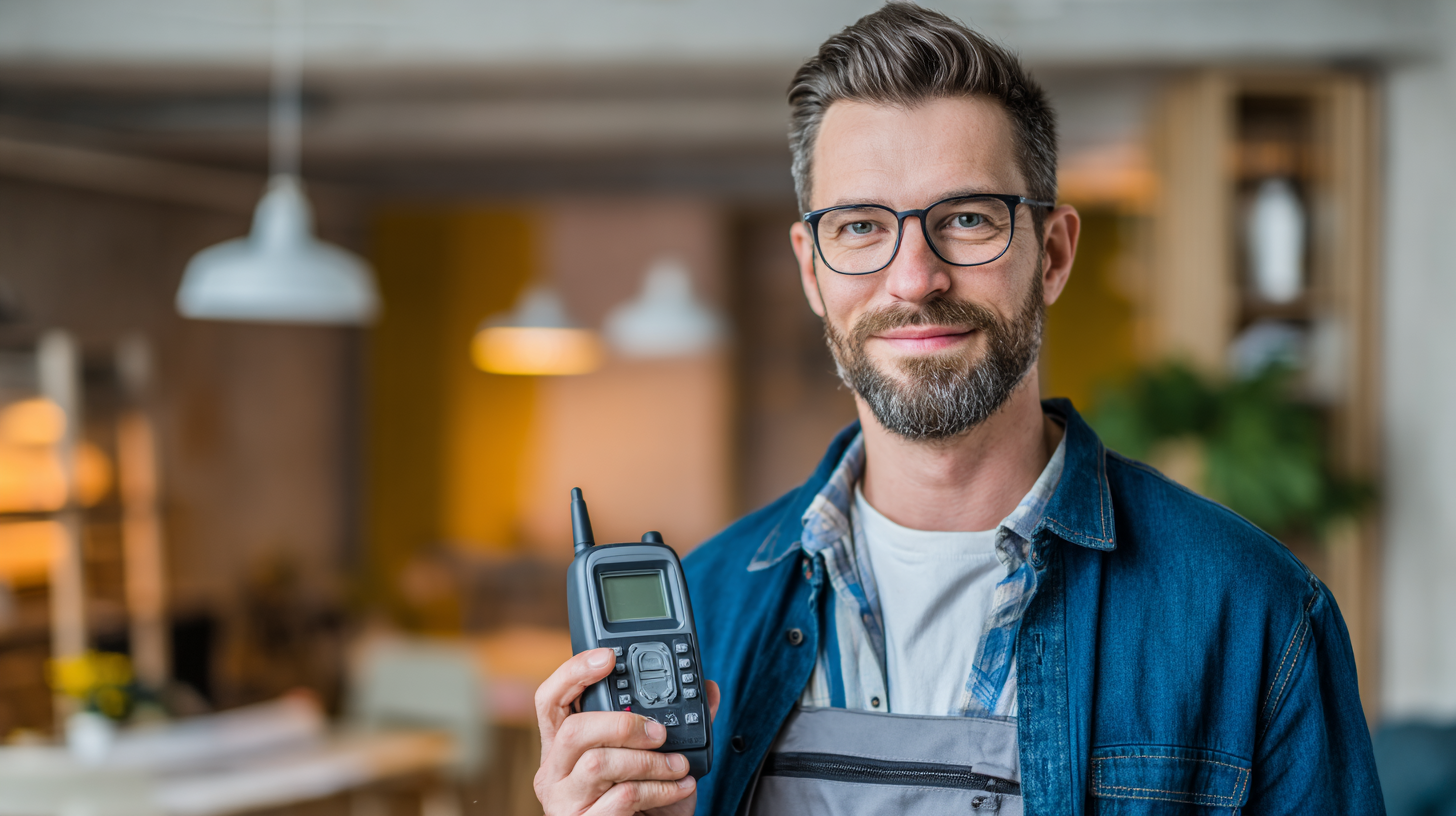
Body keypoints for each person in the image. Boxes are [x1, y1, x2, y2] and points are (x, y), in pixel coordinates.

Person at [532, 4, 1384, 814]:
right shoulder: (710, 608)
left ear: (1051, 254)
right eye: (862, 227)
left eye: (968, 219)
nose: (914, 278)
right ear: (811, 271)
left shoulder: (1255, 617)